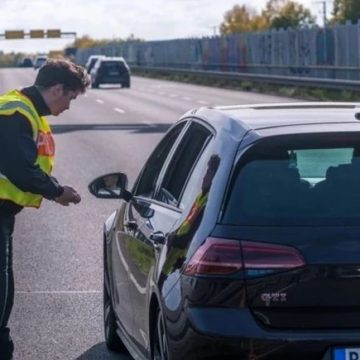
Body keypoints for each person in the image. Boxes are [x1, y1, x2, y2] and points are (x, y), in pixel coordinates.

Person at [0, 58, 90, 360]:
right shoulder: (18, 112)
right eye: (71, 97)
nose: (69, 106)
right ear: (57, 88)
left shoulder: (23, 109)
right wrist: (56, 191)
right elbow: (19, 168)